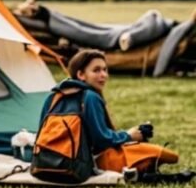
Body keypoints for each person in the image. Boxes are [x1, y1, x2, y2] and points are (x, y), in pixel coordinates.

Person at [39, 49, 179, 174]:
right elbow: (102, 140)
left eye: (105, 70)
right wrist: (129, 136)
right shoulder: (90, 97)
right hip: (80, 164)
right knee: (161, 153)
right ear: (81, 74)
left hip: (44, 162)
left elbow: (40, 135)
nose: (104, 75)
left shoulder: (52, 97)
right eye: (97, 70)